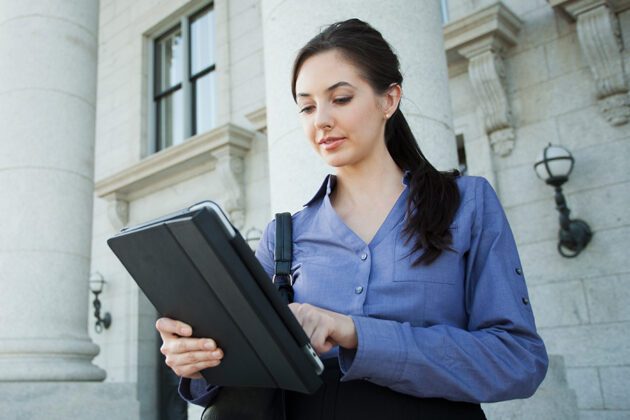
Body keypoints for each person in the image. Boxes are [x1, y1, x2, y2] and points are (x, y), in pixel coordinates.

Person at [156, 18, 548, 419]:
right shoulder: (284, 236)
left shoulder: (467, 203)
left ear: (388, 100)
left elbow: (518, 360)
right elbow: (249, 364)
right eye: (306, 106)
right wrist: (197, 358)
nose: (320, 120)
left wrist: (354, 333)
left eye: (340, 99)